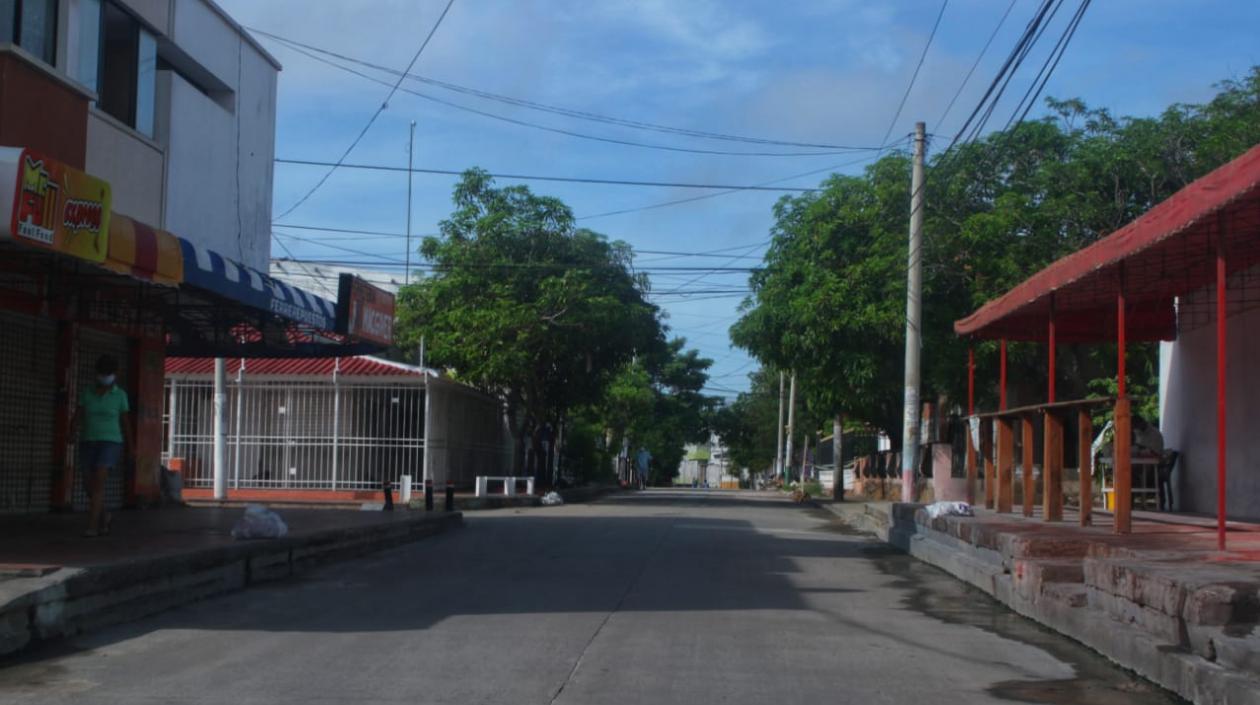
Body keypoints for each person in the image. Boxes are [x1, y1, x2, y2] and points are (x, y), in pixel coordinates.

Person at [73, 355, 133, 537]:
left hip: (111, 442)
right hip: (88, 440)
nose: (105, 377)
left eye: (108, 373)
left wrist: (132, 446)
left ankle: (92, 527)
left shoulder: (120, 395)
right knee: (87, 483)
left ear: (115, 374)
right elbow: (79, 414)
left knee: (98, 482)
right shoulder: (87, 393)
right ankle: (104, 515)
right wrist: (71, 431)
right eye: (102, 373)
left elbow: (126, 422)